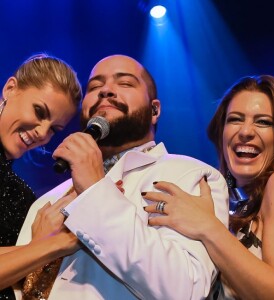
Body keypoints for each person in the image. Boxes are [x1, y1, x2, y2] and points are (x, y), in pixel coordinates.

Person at [14, 54, 229, 300]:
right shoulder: (47, 201)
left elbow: (186, 290)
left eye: (125, 83)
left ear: (155, 110)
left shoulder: (189, 174)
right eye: (95, 86)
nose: (106, 90)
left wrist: (96, 190)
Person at [143, 75, 274, 299]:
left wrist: (207, 227)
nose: (246, 132)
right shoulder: (226, 205)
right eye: (235, 119)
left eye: (263, 121)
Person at [0, 53, 82, 298]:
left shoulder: (21, 196)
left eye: (54, 129)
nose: (42, 133)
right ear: (10, 88)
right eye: (39, 112)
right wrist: (59, 243)